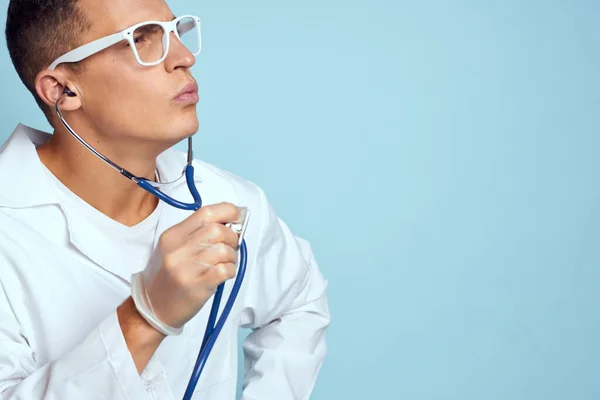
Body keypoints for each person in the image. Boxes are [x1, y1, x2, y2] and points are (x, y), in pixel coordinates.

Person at [0, 0, 330, 399]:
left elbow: (298, 302)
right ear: (63, 90)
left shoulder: (227, 200)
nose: (184, 57)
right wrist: (146, 316)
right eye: (141, 39)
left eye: (175, 32)